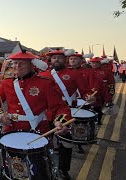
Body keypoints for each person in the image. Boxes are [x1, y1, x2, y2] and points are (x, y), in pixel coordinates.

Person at [0, 50, 72, 180]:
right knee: (9, 169)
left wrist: (60, 121)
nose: (17, 66)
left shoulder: (45, 83)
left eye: (21, 63)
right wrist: (0, 115)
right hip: (12, 131)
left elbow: (60, 107)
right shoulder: (6, 83)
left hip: (38, 132)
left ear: (32, 65)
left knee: (38, 171)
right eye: (15, 63)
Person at [39, 49, 95, 179]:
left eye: (60, 57)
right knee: (45, 142)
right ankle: (44, 168)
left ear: (65, 59)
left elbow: (85, 91)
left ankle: (63, 170)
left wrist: (89, 97)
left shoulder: (74, 74)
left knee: (66, 142)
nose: (57, 60)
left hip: (66, 112)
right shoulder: (43, 75)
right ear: (50, 60)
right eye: (54, 58)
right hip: (46, 112)